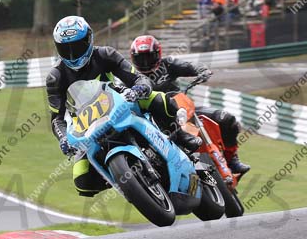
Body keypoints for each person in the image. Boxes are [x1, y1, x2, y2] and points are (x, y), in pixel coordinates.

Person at [46, 16, 200, 197]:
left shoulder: (105, 54)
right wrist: (63, 138)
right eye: (66, 49)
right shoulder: (55, 77)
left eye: (77, 47)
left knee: (158, 99)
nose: (73, 54)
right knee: (82, 181)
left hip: (119, 100)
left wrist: (139, 88)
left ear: (89, 39)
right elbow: (56, 118)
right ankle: (123, 177)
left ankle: (180, 135)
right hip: (88, 124)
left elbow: (137, 78)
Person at [129, 35, 251, 176]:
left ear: (158, 54)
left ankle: (231, 160)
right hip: (158, 123)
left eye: (149, 57)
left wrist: (201, 70)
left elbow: (189, 66)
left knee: (227, 119)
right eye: (140, 58)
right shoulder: (131, 76)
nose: (145, 63)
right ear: (133, 59)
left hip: (184, 110)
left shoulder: (167, 64)